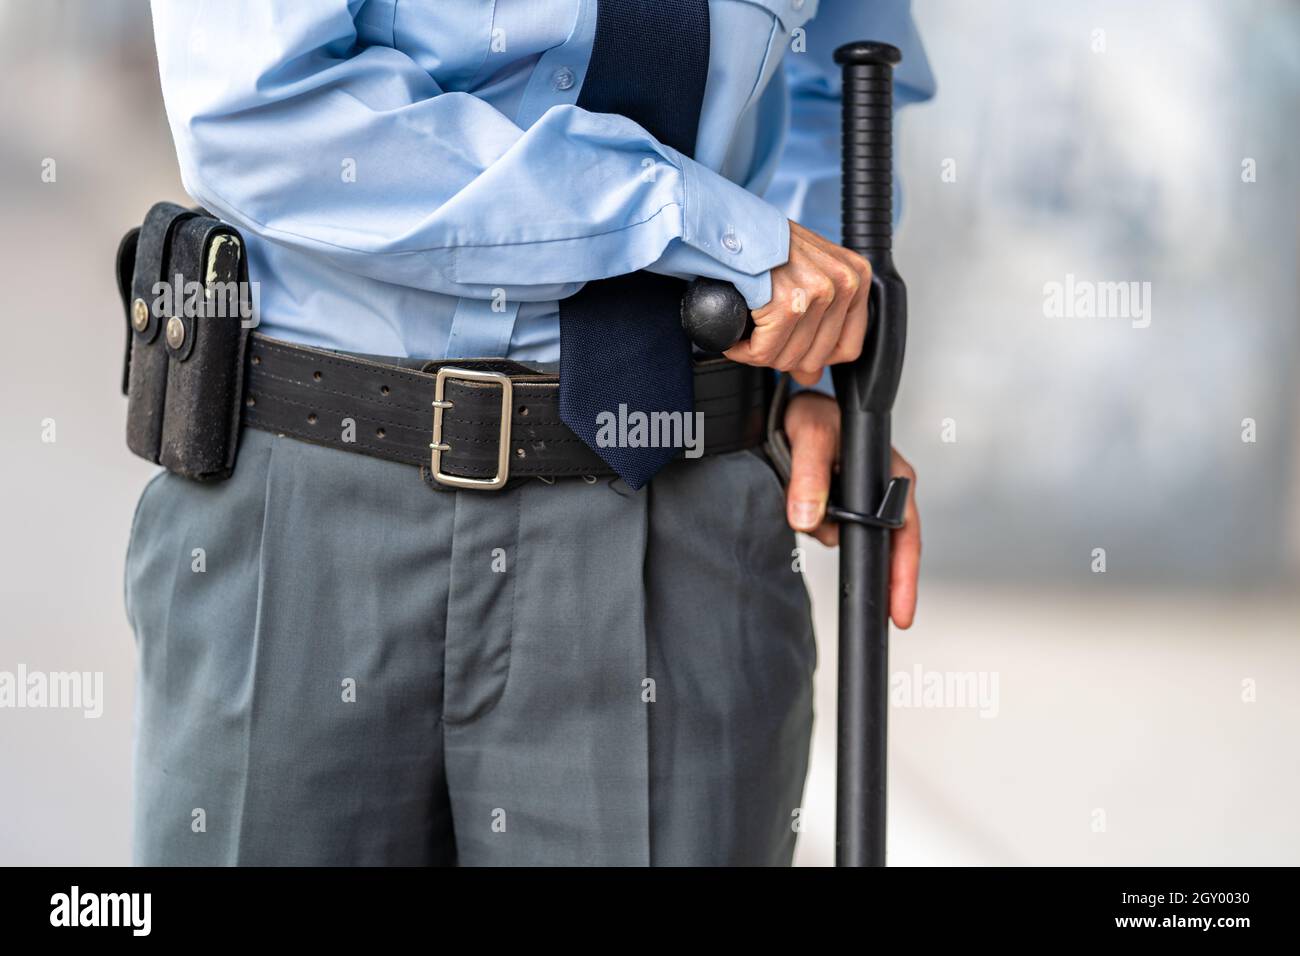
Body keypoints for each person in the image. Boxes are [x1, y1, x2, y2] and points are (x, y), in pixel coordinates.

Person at [125, 0, 933, 865]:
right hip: (307, 506)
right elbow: (260, 112)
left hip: (680, 507)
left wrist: (813, 359)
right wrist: (701, 224)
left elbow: (842, 73)